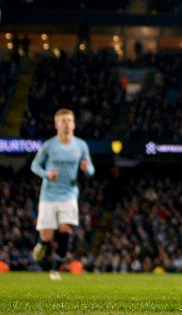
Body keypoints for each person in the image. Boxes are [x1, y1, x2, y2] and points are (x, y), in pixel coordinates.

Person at [30, 108, 95, 280]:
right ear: (56, 124)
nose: (66, 123)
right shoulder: (49, 145)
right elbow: (35, 166)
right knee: (47, 235)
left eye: (69, 120)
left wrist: (86, 169)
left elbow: (91, 169)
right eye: (63, 120)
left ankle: (55, 269)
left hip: (69, 195)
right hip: (48, 196)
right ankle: (42, 243)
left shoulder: (81, 145)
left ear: (73, 124)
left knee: (66, 229)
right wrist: (47, 174)